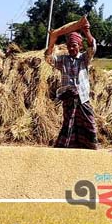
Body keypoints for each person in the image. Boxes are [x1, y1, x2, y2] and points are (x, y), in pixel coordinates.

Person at [44, 15, 98, 149]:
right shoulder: (63, 60)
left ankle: (90, 148)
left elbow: (92, 47)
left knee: (89, 122)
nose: (71, 48)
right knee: (69, 124)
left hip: (83, 97)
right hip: (68, 97)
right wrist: (53, 39)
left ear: (80, 46)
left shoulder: (84, 58)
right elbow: (48, 58)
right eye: (69, 46)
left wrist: (86, 31)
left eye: (74, 46)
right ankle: (67, 149)